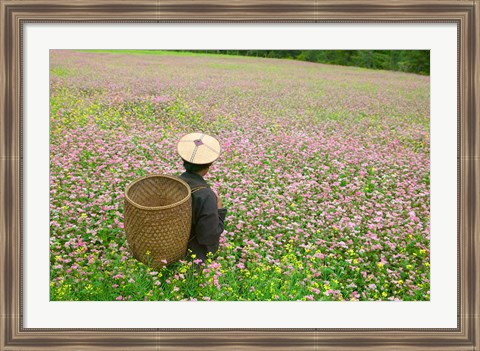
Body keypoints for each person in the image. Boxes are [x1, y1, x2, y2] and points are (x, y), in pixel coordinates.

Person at [177, 133, 227, 263]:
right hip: (191, 259)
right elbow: (208, 236)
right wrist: (220, 211)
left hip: (167, 251)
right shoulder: (206, 195)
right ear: (208, 166)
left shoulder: (173, 184)